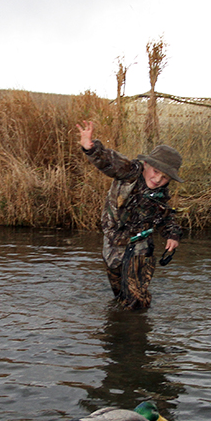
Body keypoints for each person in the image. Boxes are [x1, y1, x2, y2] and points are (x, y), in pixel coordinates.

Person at [77, 120, 182, 310]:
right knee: (119, 294)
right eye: (156, 171)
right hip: (113, 243)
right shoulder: (130, 172)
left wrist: (172, 234)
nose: (158, 179)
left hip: (140, 246)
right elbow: (111, 162)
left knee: (135, 299)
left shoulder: (161, 193)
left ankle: (136, 333)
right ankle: (120, 330)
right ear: (145, 164)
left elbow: (165, 215)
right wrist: (91, 148)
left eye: (165, 177)